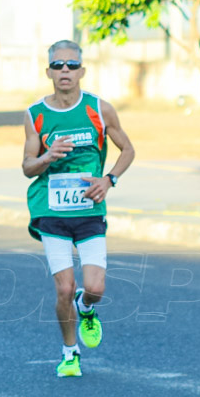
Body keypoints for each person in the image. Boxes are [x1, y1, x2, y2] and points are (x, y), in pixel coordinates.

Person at [23, 40, 135, 378]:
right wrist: (47, 156)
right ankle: (70, 353)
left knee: (95, 287)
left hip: (88, 209)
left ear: (82, 71)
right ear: (49, 73)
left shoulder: (99, 110)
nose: (65, 71)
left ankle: (86, 309)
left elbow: (127, 149)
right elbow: (28, 167)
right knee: (64, 288)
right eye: (58, 66)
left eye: (71, 65)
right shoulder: (35, 114)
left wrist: (109, 180)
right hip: (51, 210)